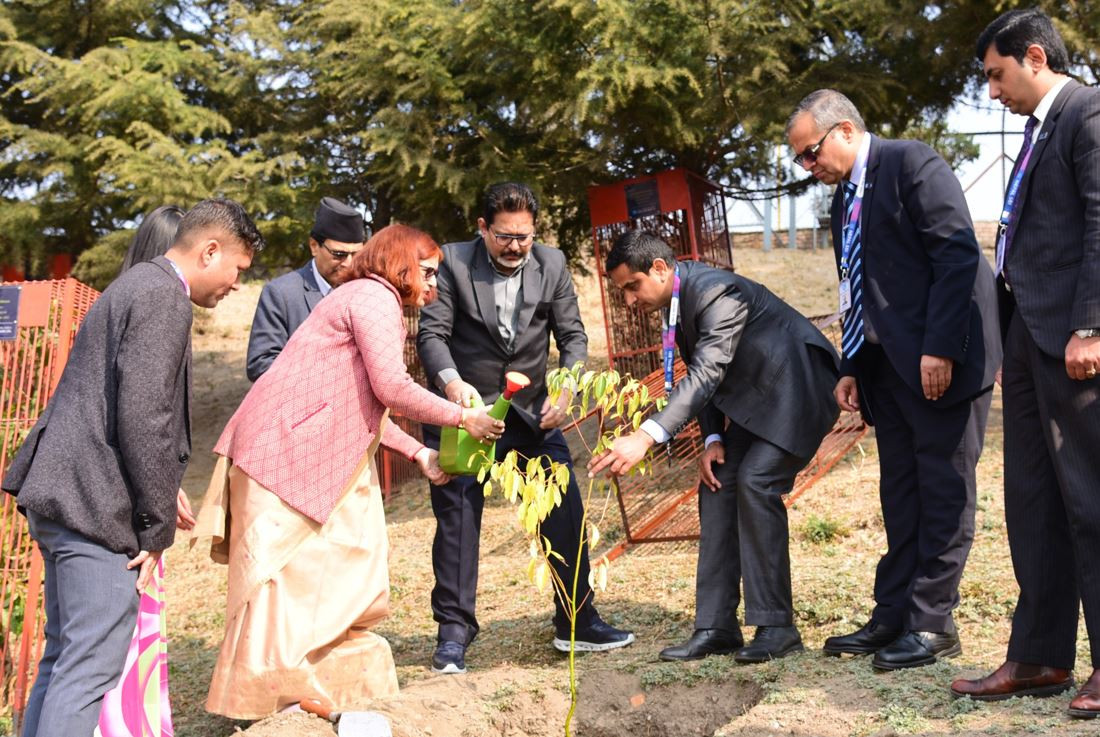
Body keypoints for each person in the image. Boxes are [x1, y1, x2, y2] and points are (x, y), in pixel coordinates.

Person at [194, 224, 504, 719]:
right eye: (427, 273)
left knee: (345, 564)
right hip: (280, 456)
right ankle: (277, 703)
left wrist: (418, 454)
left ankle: (310, 690)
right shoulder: (374, 298)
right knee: (285, 583)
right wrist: (462, 416)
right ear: (401, 264)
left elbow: (362, 404)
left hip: (296, 454)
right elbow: (392, 388)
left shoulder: (364, 297)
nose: (434, 287)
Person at [2, 198, 263, 737]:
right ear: (209, 251)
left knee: (65, 661)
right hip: (92, 507)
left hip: (65, 497)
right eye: (238, 269)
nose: (237, 284)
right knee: (89, 665)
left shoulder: (136, 286)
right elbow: (145, 416)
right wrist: (154, 525)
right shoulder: (165, 296)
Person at [785, 90, 1000, 670]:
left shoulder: (912, 164)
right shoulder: (842, 202)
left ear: (846, 131)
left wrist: (939, 348)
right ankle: (893, 614)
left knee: (943, 490)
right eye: (801, 160)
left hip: (944, 363)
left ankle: (933, 624)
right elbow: (854, 287)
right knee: (901, 494)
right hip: (888, 371)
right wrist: (853, 365)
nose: (809, 168)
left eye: (811, 153)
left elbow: (957, 257)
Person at [589, 230, 840, 663]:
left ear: (661, 269)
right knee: (719, 482)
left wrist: (647, 435)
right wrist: (712, 437)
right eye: (622, 292)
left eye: (632, 286)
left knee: (756, 481)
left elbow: (707, 372)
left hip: (800, 390)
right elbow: (701, 376)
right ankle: (717, 626)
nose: (630, 301)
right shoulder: (678, 303)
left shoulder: (714, 291)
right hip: (756, 404)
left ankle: (777, 627)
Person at [416, 181, 634, 675]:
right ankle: (453, 635)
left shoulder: (552, 264)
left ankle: (576, 621)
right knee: (458, 519)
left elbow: (573, 335)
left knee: (562, 508)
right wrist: (455, 392)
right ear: (482, 228)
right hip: (467, 415)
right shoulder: (449, 262)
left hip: (534, 413)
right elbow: (432, 335)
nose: (515, 246)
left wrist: (567, 387)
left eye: (524, 237)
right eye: (504, 236)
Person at [951, 10, 1100, 717]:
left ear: (1034, 57)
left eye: (995, 73)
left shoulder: (1088, 111)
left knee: (1092, 501)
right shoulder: (1043, 128)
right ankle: (1040, 654)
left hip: (1078, 342)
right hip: (1033, 340)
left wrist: (1091, 323)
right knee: (1035, 503)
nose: (991, 90)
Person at [99, 204, 191, 737]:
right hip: (125, 506)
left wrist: (169, 483)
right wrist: (155, 499)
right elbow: (143, 417)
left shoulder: (123, 304)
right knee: (125, 631)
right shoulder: (157, 306)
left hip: (138, 494)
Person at [246, 196, 365, 381]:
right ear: (314, 246)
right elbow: (260, 364)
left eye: (356, 254)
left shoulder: (362, 293)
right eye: (339, 254)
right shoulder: (281, 294)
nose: (348, 264)